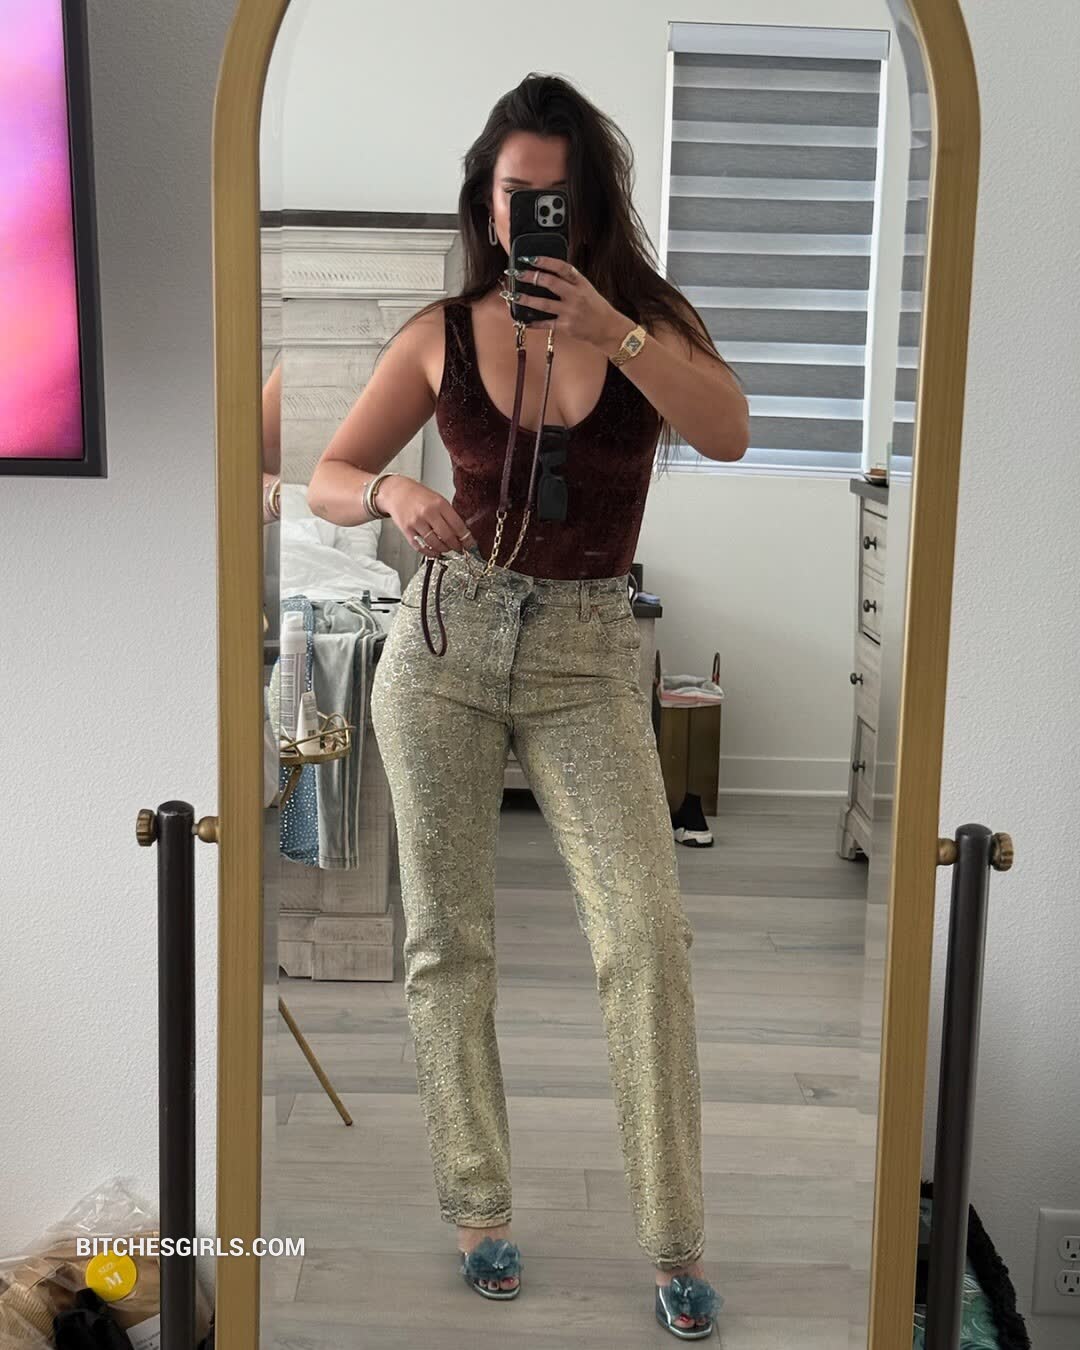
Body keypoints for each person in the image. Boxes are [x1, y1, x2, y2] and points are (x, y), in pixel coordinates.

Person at [306, 73, 749, 1340]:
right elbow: (330, 472)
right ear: (487, 202)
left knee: (645, 938)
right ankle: (478, 1210)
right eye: (515, 195)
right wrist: (392, 496)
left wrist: (615, 330)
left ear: (590, 202)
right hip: (445, 641)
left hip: (589, 654)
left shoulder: (650, 323)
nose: (532, 215)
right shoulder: (441, 332)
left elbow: (729, 431)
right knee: (448, 942)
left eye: (555, 196)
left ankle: (674, 1239)